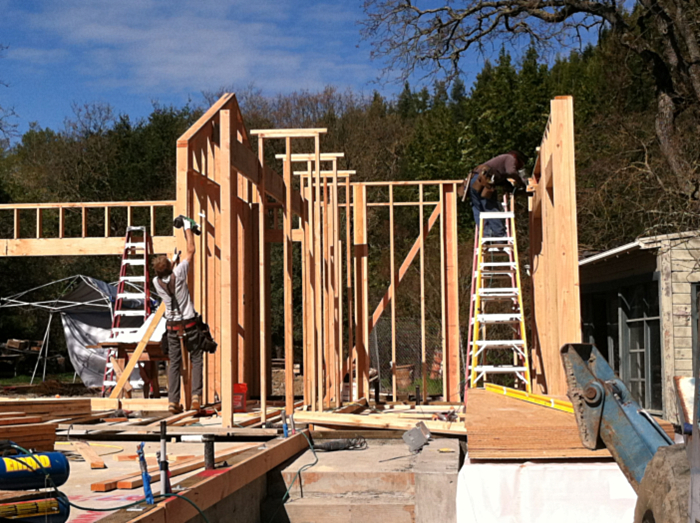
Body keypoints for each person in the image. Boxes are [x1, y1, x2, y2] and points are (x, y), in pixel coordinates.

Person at [152, 219, 203, 414]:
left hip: (172, 326)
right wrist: (187, 227)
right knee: (196, 358)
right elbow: (191, 250)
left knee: (174, 363)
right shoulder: (180, 273)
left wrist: (172, 261)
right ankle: (196, 397)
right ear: (171, 268)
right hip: (189, 323)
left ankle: (173, 401)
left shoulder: (157, 282)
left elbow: (167, 274)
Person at [463, 151, 527, 237]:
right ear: (518, 159)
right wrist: (521, 183)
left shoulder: (499, 163)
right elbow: (511, 172)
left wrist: (510, 187)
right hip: (483, 181)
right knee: (491, 207)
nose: (518, 168)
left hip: (472, 181)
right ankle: (500, 236)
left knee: (478, 208)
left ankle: (485, 236)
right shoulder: (510, 157)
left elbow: (502, 179)